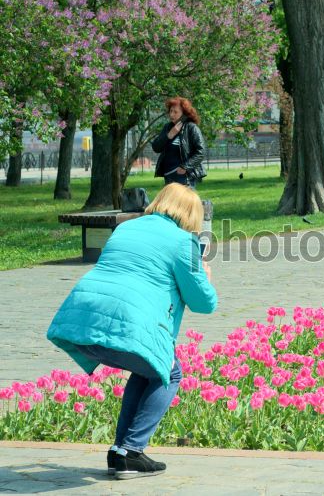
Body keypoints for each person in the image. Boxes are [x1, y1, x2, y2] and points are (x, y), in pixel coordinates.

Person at [47, 183, 217, 480]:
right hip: (128, 325)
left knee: (148, 369)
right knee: (169, 371)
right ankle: (133, 451)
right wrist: (206, 275)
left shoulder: (126, 229)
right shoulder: (184, 243)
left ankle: (120, 452)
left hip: (85, 321)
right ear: (191, 215)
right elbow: (203, 302)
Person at [151, 97, 207, 188]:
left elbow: (201, 152)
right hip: (168, 176)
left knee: (184, 202)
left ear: (184, 114)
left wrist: (185, 167)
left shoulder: (191, 128)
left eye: (175, 112)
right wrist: (169, 135)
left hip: (185, 178)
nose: (171, 114)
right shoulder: (167, 127)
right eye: (171, 111)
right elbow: (156, 147)